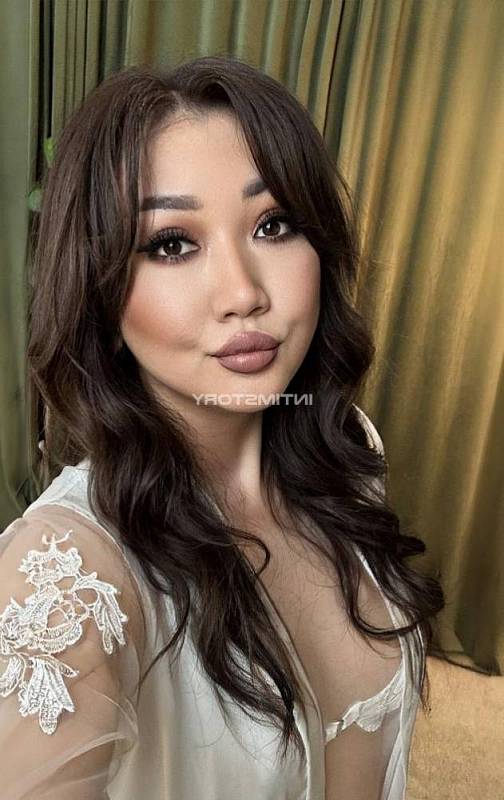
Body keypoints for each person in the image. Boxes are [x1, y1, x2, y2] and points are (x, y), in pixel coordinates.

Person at [0, 55, 444, 799]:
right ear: (99, 289)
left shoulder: (350, 452)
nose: (243, 293)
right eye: (172, 243)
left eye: (274, 224)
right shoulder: (69, 578)